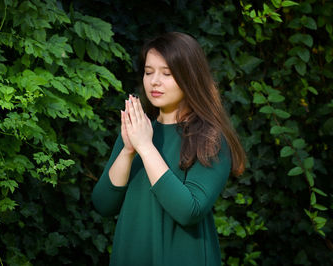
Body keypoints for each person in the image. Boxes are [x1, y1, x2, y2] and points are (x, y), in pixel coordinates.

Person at [92, 32, 246, 266]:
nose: (154, 81)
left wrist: (145, 147)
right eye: (148, 72)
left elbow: (189, 211)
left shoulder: (210, 139)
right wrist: (128, 150)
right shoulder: (138, 132)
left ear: (189, 77)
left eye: (167, 73)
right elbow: (103, 205)